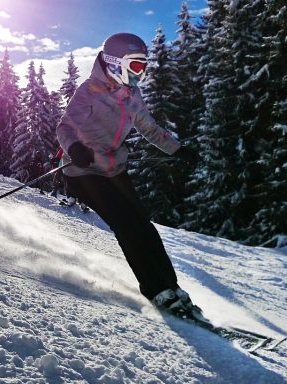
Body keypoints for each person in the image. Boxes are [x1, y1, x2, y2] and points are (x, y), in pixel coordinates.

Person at [56, 33, 199, 317]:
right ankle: (155, 289)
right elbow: (65, 127)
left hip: (113, 168)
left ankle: (172, 287)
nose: (140, 73)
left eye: (143, 67)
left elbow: (149, 128)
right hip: (83, 171)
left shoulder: (132, 95)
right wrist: (75, 147)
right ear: (114, 62)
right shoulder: (88, 91)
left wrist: (177, 149)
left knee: (144, 225)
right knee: (127, 225)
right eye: (135, 66)